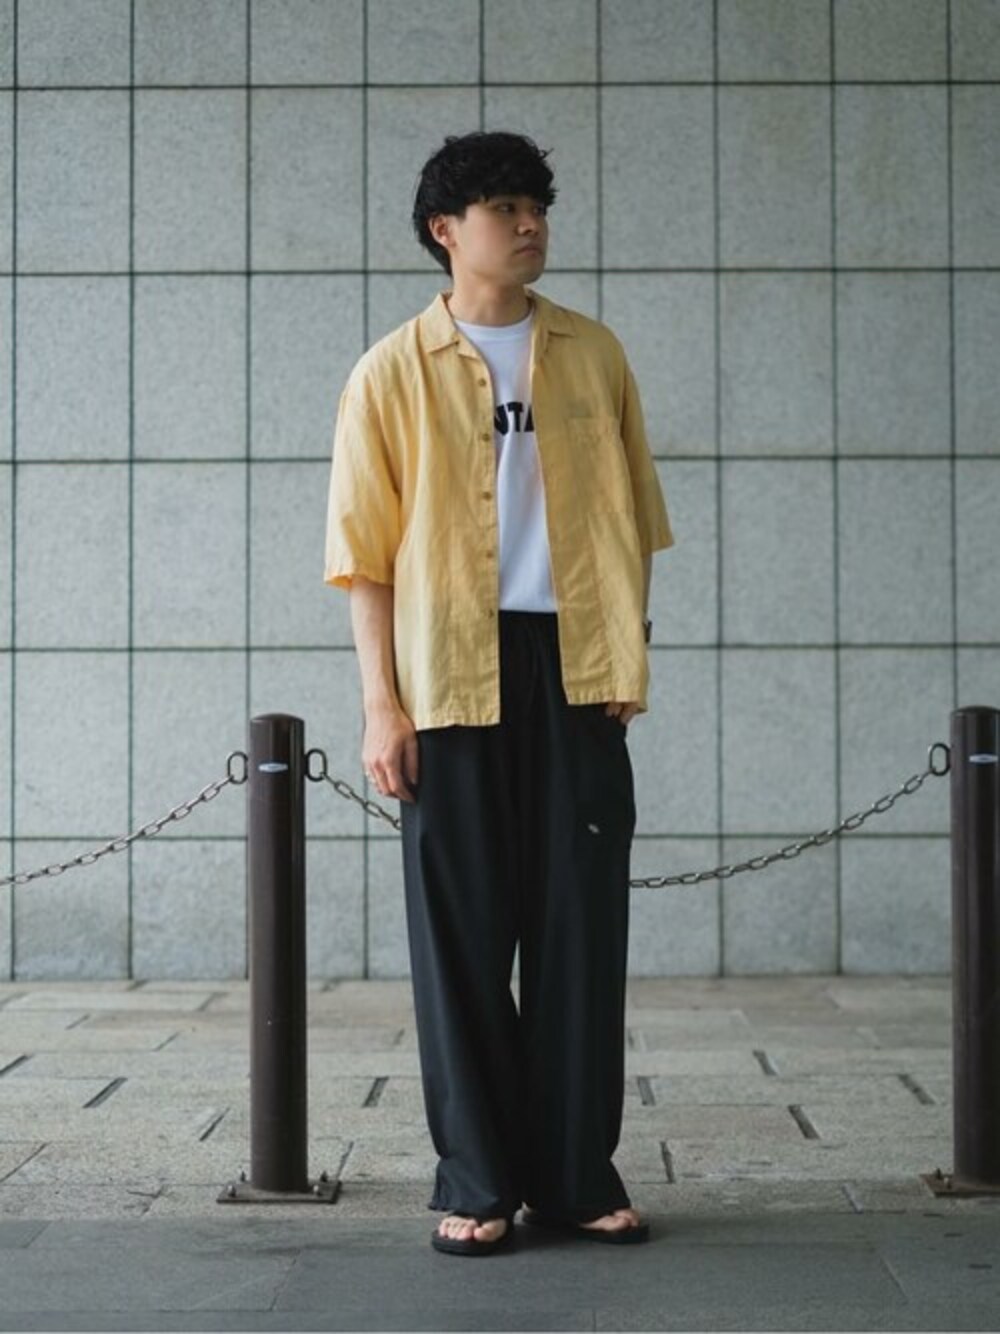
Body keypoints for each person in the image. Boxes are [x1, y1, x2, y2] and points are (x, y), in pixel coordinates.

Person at [324, 130, 675, 1257]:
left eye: (537, 206)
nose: (530, 225)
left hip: (576, 672)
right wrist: (381, 705)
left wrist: (626, 650)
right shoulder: (390, 371)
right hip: (446, 679)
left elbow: (635, 521)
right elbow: (364, 558)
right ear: (446, 229)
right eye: (505, 208)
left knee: (581, 932)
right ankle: (477, 1180)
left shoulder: (592, 354)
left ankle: (574, 1176)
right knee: (463, 941)